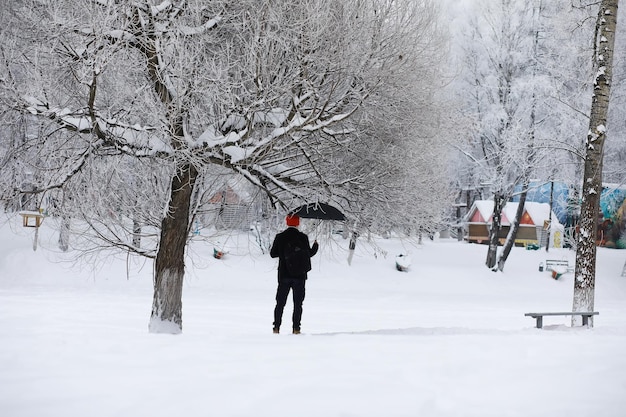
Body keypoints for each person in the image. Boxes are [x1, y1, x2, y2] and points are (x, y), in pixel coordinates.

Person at [270, 214, 318, 334]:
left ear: (287, 222)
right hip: (300, 276)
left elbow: (273, 254)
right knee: (298, 303)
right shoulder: (303, 237)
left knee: (280, 303)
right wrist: (315, 246)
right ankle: (296, 328)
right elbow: (309, 254)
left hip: (284, 274)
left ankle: (276, 327)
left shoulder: (280, 237)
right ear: (298, 223)